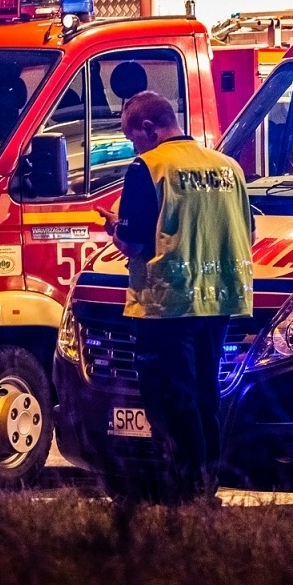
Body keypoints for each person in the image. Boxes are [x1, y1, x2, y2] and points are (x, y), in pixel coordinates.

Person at [97, 91, 254, 502]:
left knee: (172, 401)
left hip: (167, 302)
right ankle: (206, 486)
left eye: (133, 137)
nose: (135, 146)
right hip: (220, 299)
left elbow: (132, 244)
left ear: (148, 128)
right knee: (205, 396)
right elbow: (245, 231)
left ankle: (186, 493)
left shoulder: (149, 167)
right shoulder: (229, 167)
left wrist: (116, 227)